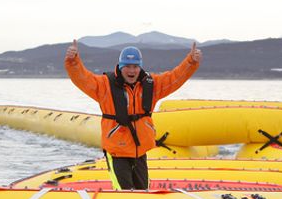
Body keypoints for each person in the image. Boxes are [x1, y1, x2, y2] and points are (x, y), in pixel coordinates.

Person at [65, 40, 202, 190]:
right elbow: (83, 79)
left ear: (140, 67)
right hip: (117, 151)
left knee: (143, 191)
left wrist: (191, 62)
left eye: (135, 66)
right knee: (124, 193)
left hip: (140, 151)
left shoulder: (151, 85)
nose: (132, 70)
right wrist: (73, 61)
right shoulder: (105, 85)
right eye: (128, 67)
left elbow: (175, 78)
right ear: (121, 67)